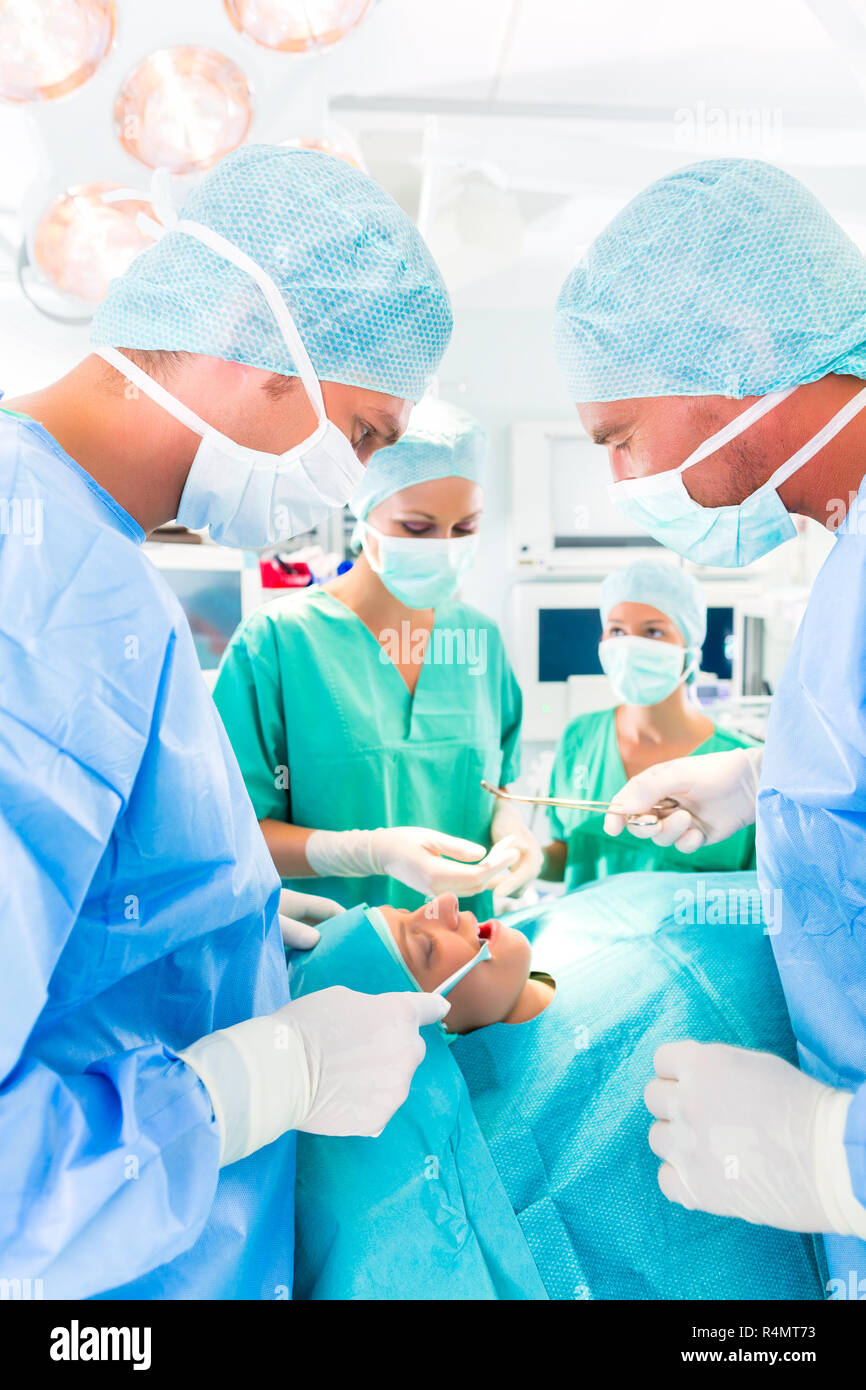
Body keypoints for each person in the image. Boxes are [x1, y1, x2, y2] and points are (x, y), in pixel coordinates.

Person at [0, 144, 455, 1299]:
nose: (350, 488)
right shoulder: (35, 580)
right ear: (252, 336)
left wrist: (226, 919)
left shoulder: (85, 553)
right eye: (359, 433)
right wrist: (254, 1082)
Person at [552, 157, 866, 1272]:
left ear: (735, 354)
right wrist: (762, 779)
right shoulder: (842, 553)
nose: (622, 476)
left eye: (617, 435)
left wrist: (839, 1156)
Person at [288, 883, 825, 1300]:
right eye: (426, 948)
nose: (445, 903)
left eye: (411, 911)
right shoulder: (536, 1159)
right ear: (424, 1043)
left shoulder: (564, 921)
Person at [213, 397, 543, 918]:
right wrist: (368, 853)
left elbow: (497, 781)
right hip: (333, 965)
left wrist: (510, 823)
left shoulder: (478, 639)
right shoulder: (278, 643)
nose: (445, 547)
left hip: (468, 961)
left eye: (465, 529)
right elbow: (232, 836)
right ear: (365, 513)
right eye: (417, 527)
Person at [541, 559, 756, 889]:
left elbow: (763, 894)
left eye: (654, 631)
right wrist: (525, 860)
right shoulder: (579, 737)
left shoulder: (742, 771)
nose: (629, 646)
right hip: (585, 939)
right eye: (616, 630)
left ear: (690, 648)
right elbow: (569, 853)